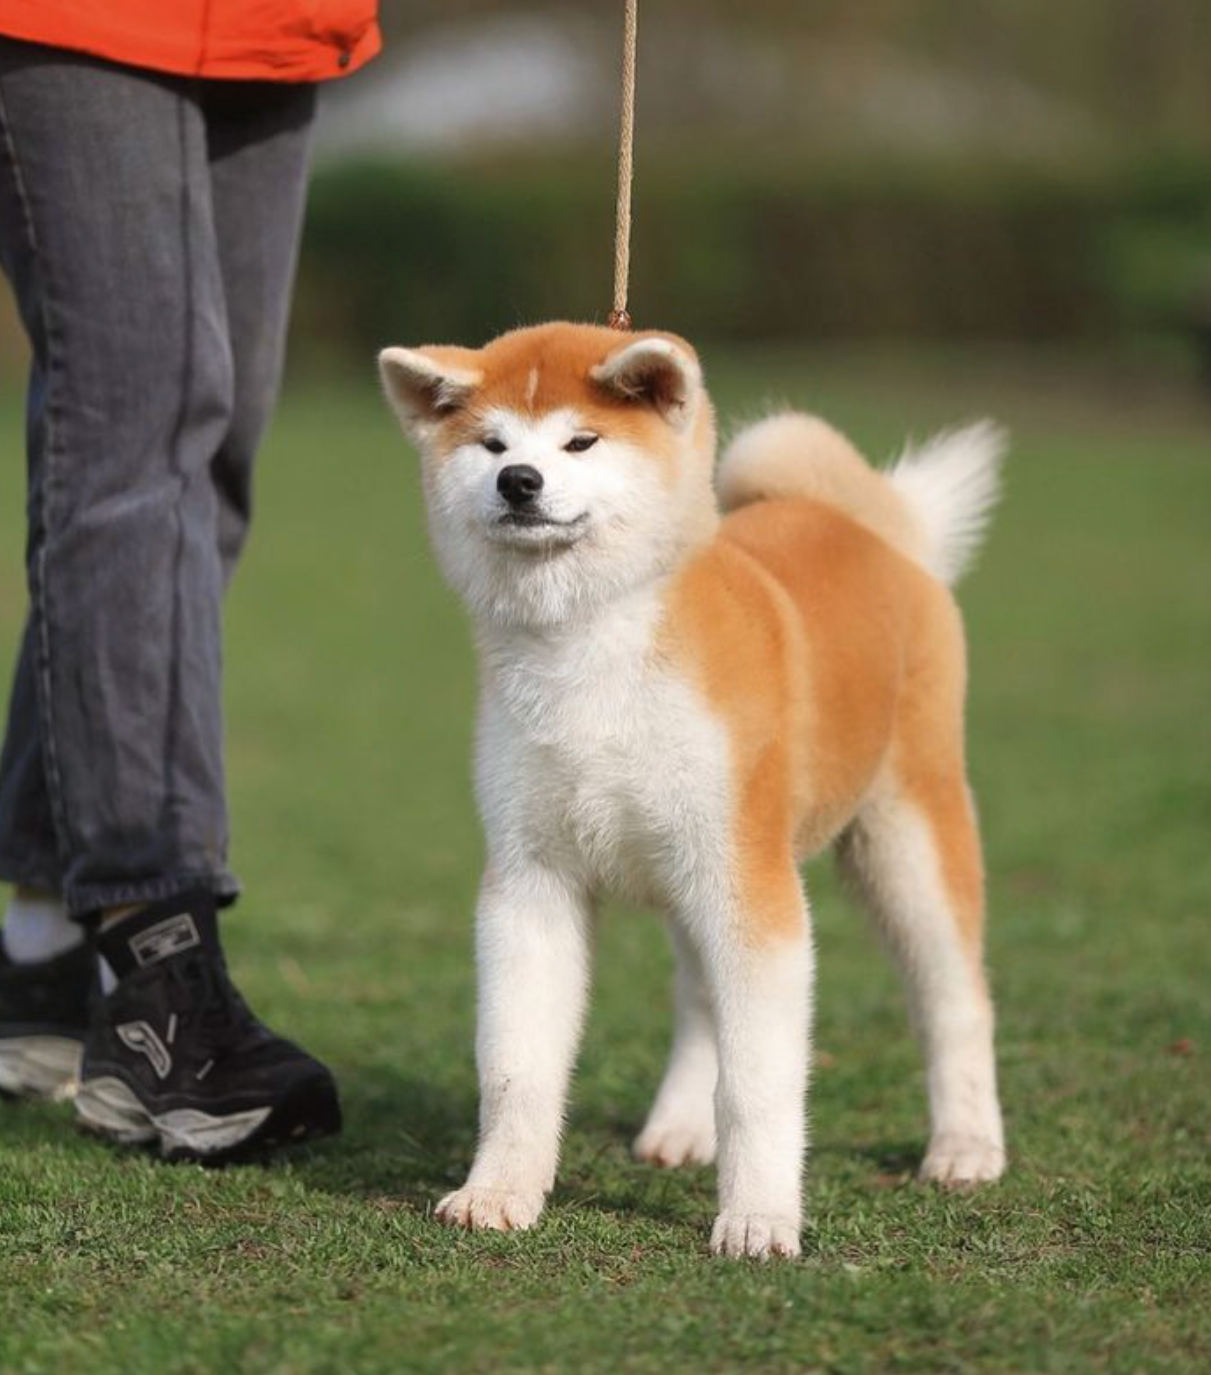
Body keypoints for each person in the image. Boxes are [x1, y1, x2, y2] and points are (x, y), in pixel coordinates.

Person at [0, 2, 380, 1160]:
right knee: (139, 434)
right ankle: (155, 968)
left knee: (203, 468)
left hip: (273, 22)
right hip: (83, 19)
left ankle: (40, 951)